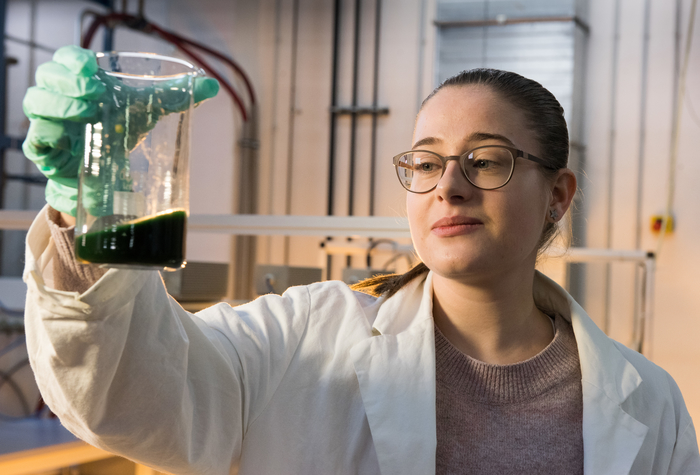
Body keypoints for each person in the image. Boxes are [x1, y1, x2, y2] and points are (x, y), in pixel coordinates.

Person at [21, 46, 699, 475]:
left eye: (486, 160)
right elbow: (133, 396)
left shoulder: (651, 402)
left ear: (558, 194)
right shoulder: (304, 338)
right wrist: (97, 214)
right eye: (427, 162)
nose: (448, 185)